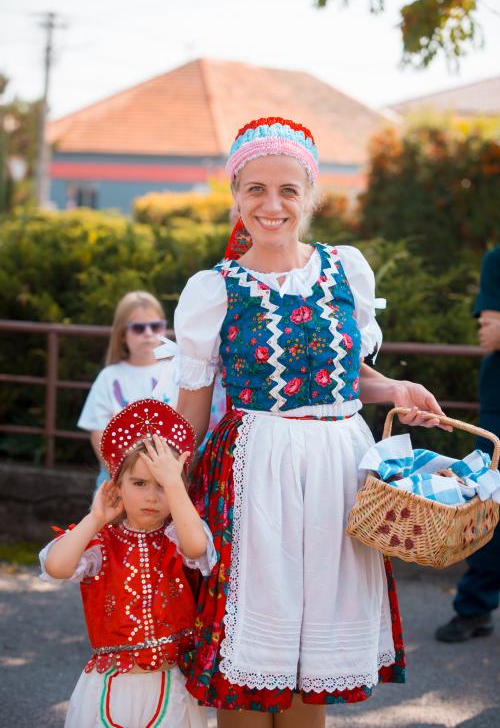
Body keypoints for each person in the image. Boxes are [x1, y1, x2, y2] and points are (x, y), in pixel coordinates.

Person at [171, 117, 447, 727]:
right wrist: (161, 495)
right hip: (250, 478)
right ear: (236, 197)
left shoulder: (346, 270)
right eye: (256, 190)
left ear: (310, 196)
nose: (271, 205)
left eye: (288, 190)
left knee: (309, 668)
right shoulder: (212, 290)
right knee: (244, 665)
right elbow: (189, 417)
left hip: (336, 473)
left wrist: (397, 387)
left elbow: (349, 378)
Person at [39, 398, 215, 728]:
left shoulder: (178, 535)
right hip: (110, 684)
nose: (152, 496)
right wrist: (94, 518)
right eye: (139, 483)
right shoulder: (101, 540)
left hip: (170, 684)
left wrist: (174, 482)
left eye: (163, 486)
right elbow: (57, 567)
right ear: (117, 484)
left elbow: (196, 545)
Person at [435, 245, 500, 643]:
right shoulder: (497, 260)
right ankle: (474, 608)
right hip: (498, 404)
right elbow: (491, 335)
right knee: (488, 505)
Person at [78, 290, 178, 487]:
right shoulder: (109, 377)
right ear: (122, 334)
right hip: (117, 481)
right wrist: (123, 475)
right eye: (138, 328)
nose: (148, 333)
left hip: (165, 482)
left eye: (156, 326)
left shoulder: (176, 372)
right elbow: (98, 432)